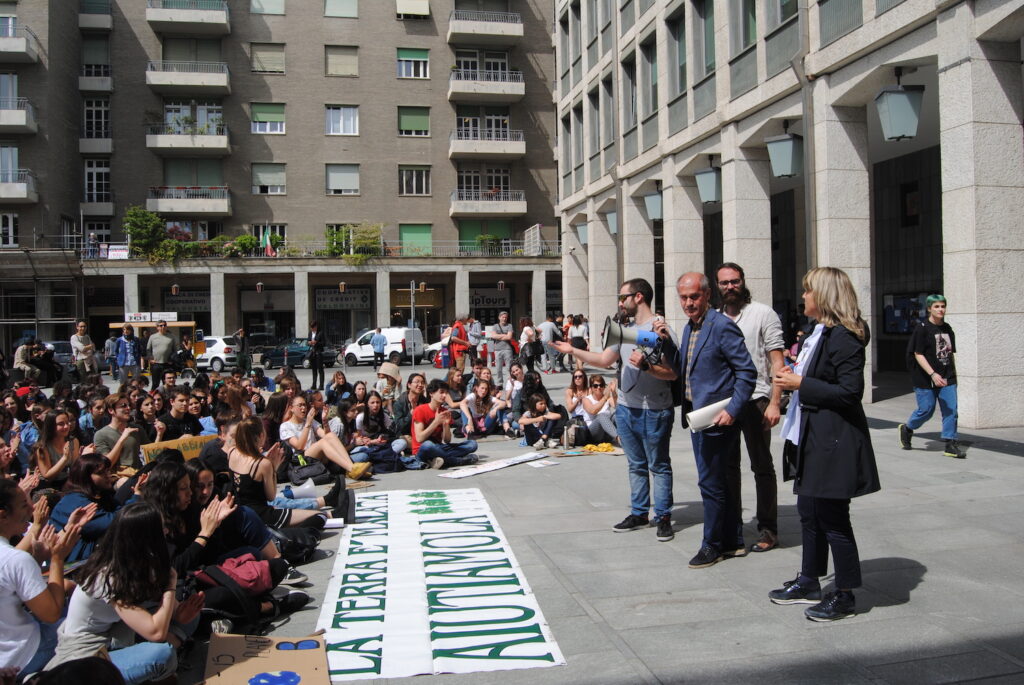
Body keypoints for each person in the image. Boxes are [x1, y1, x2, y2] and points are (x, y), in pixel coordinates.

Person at [769, 266, 880, 621]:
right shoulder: (819, 332)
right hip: (811, 436)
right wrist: (793, 376)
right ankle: (809, 580)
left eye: (808, 291)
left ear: (825, 296)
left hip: (833, 439)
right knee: (809, 512)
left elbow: (850, 393)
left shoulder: (845, 336)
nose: (803, 296)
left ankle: (845, 593)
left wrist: (801, 383)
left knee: (833, 517)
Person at [553, 278, 678, 543]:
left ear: (639, 297)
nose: (620, 302)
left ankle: (664, 516)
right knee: (635, 464)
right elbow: (603, 360)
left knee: (659, 465)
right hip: (626, 408)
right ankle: (639, 513)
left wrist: (648, 365)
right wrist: (572, 349)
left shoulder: (661, 329)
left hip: (655, 409)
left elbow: (673, 373)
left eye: (623, 297)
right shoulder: (623, 331)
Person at [45, 502, 205, 683]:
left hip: (116, 633)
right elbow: (156, 633)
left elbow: (171, 611)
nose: (166, 533)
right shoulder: (109, 576)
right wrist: (171, 585)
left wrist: (182, 614)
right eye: (161, 529)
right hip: (87, 653)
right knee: (163, 655)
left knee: (193, 619)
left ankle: (172, 647)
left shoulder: (142, 560)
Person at [670, 272, 756, 568]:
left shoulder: (721, 326)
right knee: (721, 481)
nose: (689, 303)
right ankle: (732, 540)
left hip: (717, 418)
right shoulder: (688, 329)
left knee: (710, 483)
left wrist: (732, 410)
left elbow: (747, 373)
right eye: (683, 297)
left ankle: (713, 545)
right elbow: (685, 370)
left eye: (694, 296)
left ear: (707, 295)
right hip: (698, 417)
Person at [716, 262, 786, 553]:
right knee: (728, 467)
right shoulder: (715, 319)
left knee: (762, 466)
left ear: (743, 281)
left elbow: (777, 362)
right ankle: (733, 527)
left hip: (757, 400)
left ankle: (768, 529)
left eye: (734, 281)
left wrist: (774, 402)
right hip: (725, 403)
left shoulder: (762, 313)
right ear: (717, 287)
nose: (730, 287)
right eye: (724, 283)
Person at [0, 478, 89, 678]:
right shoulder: (15, 559)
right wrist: (58, 558)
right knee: (91, 629)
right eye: (24, 505)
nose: (32, 509)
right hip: (25, 654)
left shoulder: (14, 558)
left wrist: (38, 557)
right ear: (3, 515)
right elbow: (50, 614)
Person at [898, 294, 966, 459]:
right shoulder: (922, 328)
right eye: (936, 306)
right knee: (926, 410)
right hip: (925, 377)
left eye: (943, 306)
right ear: (929, 308)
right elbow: (918, 353)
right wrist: (933, 374)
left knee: (951, 410)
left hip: (947, 376)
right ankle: (907, 428)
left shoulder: (947, 328)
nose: (940, 309)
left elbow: (948, 354)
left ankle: (950, 444)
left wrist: (951, 375)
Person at [279, 394, 371, 480]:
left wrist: (325, 421)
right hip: (301, 460)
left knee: (330, 435)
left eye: (304, 405)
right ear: (291, 408)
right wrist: (307, 424)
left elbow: (326, 436)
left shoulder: (310, 421)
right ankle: (351, 468)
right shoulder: (285, 426)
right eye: (300, 405)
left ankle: (351, 468)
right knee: (322, 443)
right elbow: (299, 446)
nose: (303, 408)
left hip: (317, 457)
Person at [411, 379, 479, 469]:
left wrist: (446, 425)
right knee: (428, 445)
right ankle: (457, 461)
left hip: (439, 448)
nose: (444, 396)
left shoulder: (444, 411)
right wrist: (436, 422)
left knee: (472, 444)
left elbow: (447, 440)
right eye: (441, 392)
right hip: (422, 450)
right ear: (431, 393)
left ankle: (437, 460)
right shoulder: (420, 410)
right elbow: (419, 438)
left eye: (446, 393)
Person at [93, 394, 145, 479]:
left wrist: (159, 434)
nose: (128, 408)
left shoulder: (137, 429)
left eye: (129, 405)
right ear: (111, 410)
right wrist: (122, 439)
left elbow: (149, 452)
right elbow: (107, 464)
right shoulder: (101, 434)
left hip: (138, 473)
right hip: (117, 477)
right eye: (123, 406)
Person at [31, 410, 81, 491]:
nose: (66, 426)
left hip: (69, 482)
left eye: (67, 422)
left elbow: (75, 468)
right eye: (61, 424)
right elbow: (48, 476)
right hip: (50, 487)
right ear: (51, 426)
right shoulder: (43, 447)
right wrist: (64, 458)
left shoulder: (73, 441)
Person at [582, 374, 618, 443]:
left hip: (607, 435)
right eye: (595, 386)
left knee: (618, 414)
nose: (598, 388)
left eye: (601, 385)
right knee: (601, 416)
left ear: (604, 387)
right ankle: (618, 438)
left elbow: (618, 407)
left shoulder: (608, 398)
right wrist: (604, 398)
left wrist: (613, 392)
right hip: (593, 433)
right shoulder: (586, 399)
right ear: (591, 388)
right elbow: (593, 411)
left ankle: (629, 437)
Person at [487, 310, 515, 388]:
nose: (504, 319)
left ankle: (509, 383)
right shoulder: (495, 326)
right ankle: (499, 383)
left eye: (506, 317)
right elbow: (493, 336)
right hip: (497, 349)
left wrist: (499, 335)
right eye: (503, 317)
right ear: (499, 318)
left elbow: (509, 337)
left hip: (507, 349)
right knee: (498, 368)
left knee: (509, 367)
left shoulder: (509, 325)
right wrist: (504, 335)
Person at [145, 321, 175, 391]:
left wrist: (172, 359)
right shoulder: (153, 337)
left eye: (164, 325)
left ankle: (168, 398)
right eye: (161, 325)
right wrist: (150, 358)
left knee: (168, 383)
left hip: (167, 364)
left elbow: (175, 350)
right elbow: (148, 349)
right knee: (155, 384)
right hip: (156, 364)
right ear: (157, 327)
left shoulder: (171, 337)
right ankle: (153, 398)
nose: (163, 327)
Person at [307, 321, 326, 391]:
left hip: (318, 353)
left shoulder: (320, 333)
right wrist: (309, 342)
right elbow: (308, 341)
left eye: (313, 327)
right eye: (311, 327)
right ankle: (314, 385)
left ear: (316, 326)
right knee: (313, 370)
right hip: (312, 353)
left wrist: (316, 342)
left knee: (320, 370)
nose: (312, 329)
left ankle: (321, 385)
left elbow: (324, 343)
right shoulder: (310, 333)